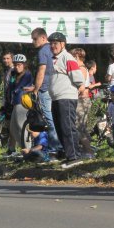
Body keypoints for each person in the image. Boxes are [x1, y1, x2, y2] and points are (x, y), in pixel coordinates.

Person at [47, 32, 84, 168]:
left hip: (66, 97)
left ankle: (74, 156)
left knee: (67, 126)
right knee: (60, 128)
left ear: (63, 44)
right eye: (51, 43)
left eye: (55, 43)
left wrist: (80, 86)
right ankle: (69, 155)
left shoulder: (67, 57)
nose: (52, 46)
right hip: (56, 98)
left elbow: (78, 77)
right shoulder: (53, 59)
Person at [26, 28, 62, 153]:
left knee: (48, 119)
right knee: (56, 118)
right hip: (55, 88)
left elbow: (42, 71)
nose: (33, 41)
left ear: (43, 38)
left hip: (45, 89)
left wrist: (36, 89)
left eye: (35, 39)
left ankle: (55, 147)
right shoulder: (53, 50)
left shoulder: (43, 51)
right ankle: (58, 145)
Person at [4, 54, 33, 156]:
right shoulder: (14, 75)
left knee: (22, 127)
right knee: (12, 128)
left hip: (22, 103)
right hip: (15, 104)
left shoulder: (27, 74)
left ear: (24, 65)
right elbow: (10, 88)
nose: (17, 67)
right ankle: (23, 148)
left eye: (19, 64)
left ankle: (27, 150)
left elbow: (19, 88)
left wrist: (13, 90)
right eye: (15, 65)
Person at [70, 48, 94, 158]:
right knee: (81, 128)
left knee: (77, 127)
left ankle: (89, 151)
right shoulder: (81, 68)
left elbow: (81, 86)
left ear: (77, 56)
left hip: (82, 100)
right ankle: (85, 150)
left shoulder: (81, 68)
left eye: (72, 56)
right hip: (81, 100)